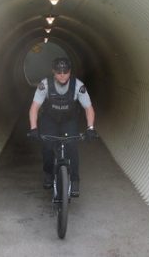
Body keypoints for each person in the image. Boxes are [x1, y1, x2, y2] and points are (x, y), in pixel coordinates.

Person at [27, 57, 98, 197]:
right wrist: (33, 128)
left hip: (69, 120)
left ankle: (75, 180)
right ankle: (48, 173)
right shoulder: (45, 85)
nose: (62, 75)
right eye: (59, 72)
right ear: (53, 72)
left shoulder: (78, 86)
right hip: (50, 119)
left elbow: (88, 108)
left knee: (72, 146)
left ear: (69, 72)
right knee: (47, 145)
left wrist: (90, 128)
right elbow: (34, 107)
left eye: (65, 72)